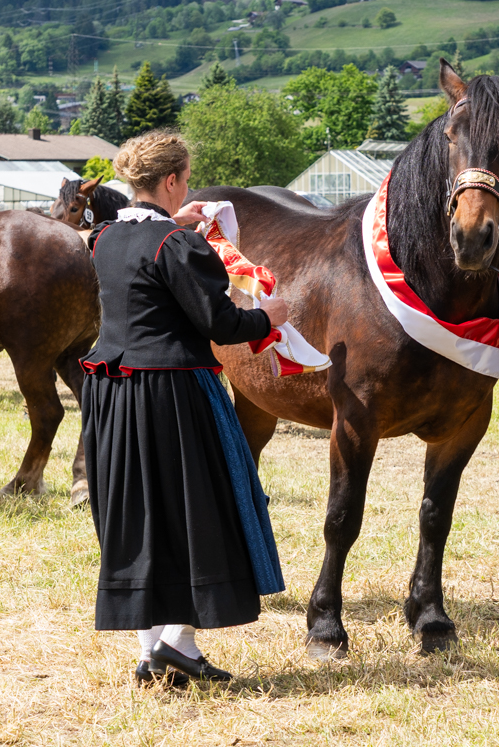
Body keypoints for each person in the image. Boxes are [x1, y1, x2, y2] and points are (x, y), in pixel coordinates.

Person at [81, 130, 288, 686]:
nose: (189, 188)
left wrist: (176, 223)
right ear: (172, 180)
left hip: (113, 393)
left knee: (140, 516)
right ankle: (179, 642)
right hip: (171, 393)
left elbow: (147, 263)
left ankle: (152, 652)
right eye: (187, 180)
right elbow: (220, 323)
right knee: (203, 509)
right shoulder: (176, 245)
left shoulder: (104, 238)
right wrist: (270, 317)